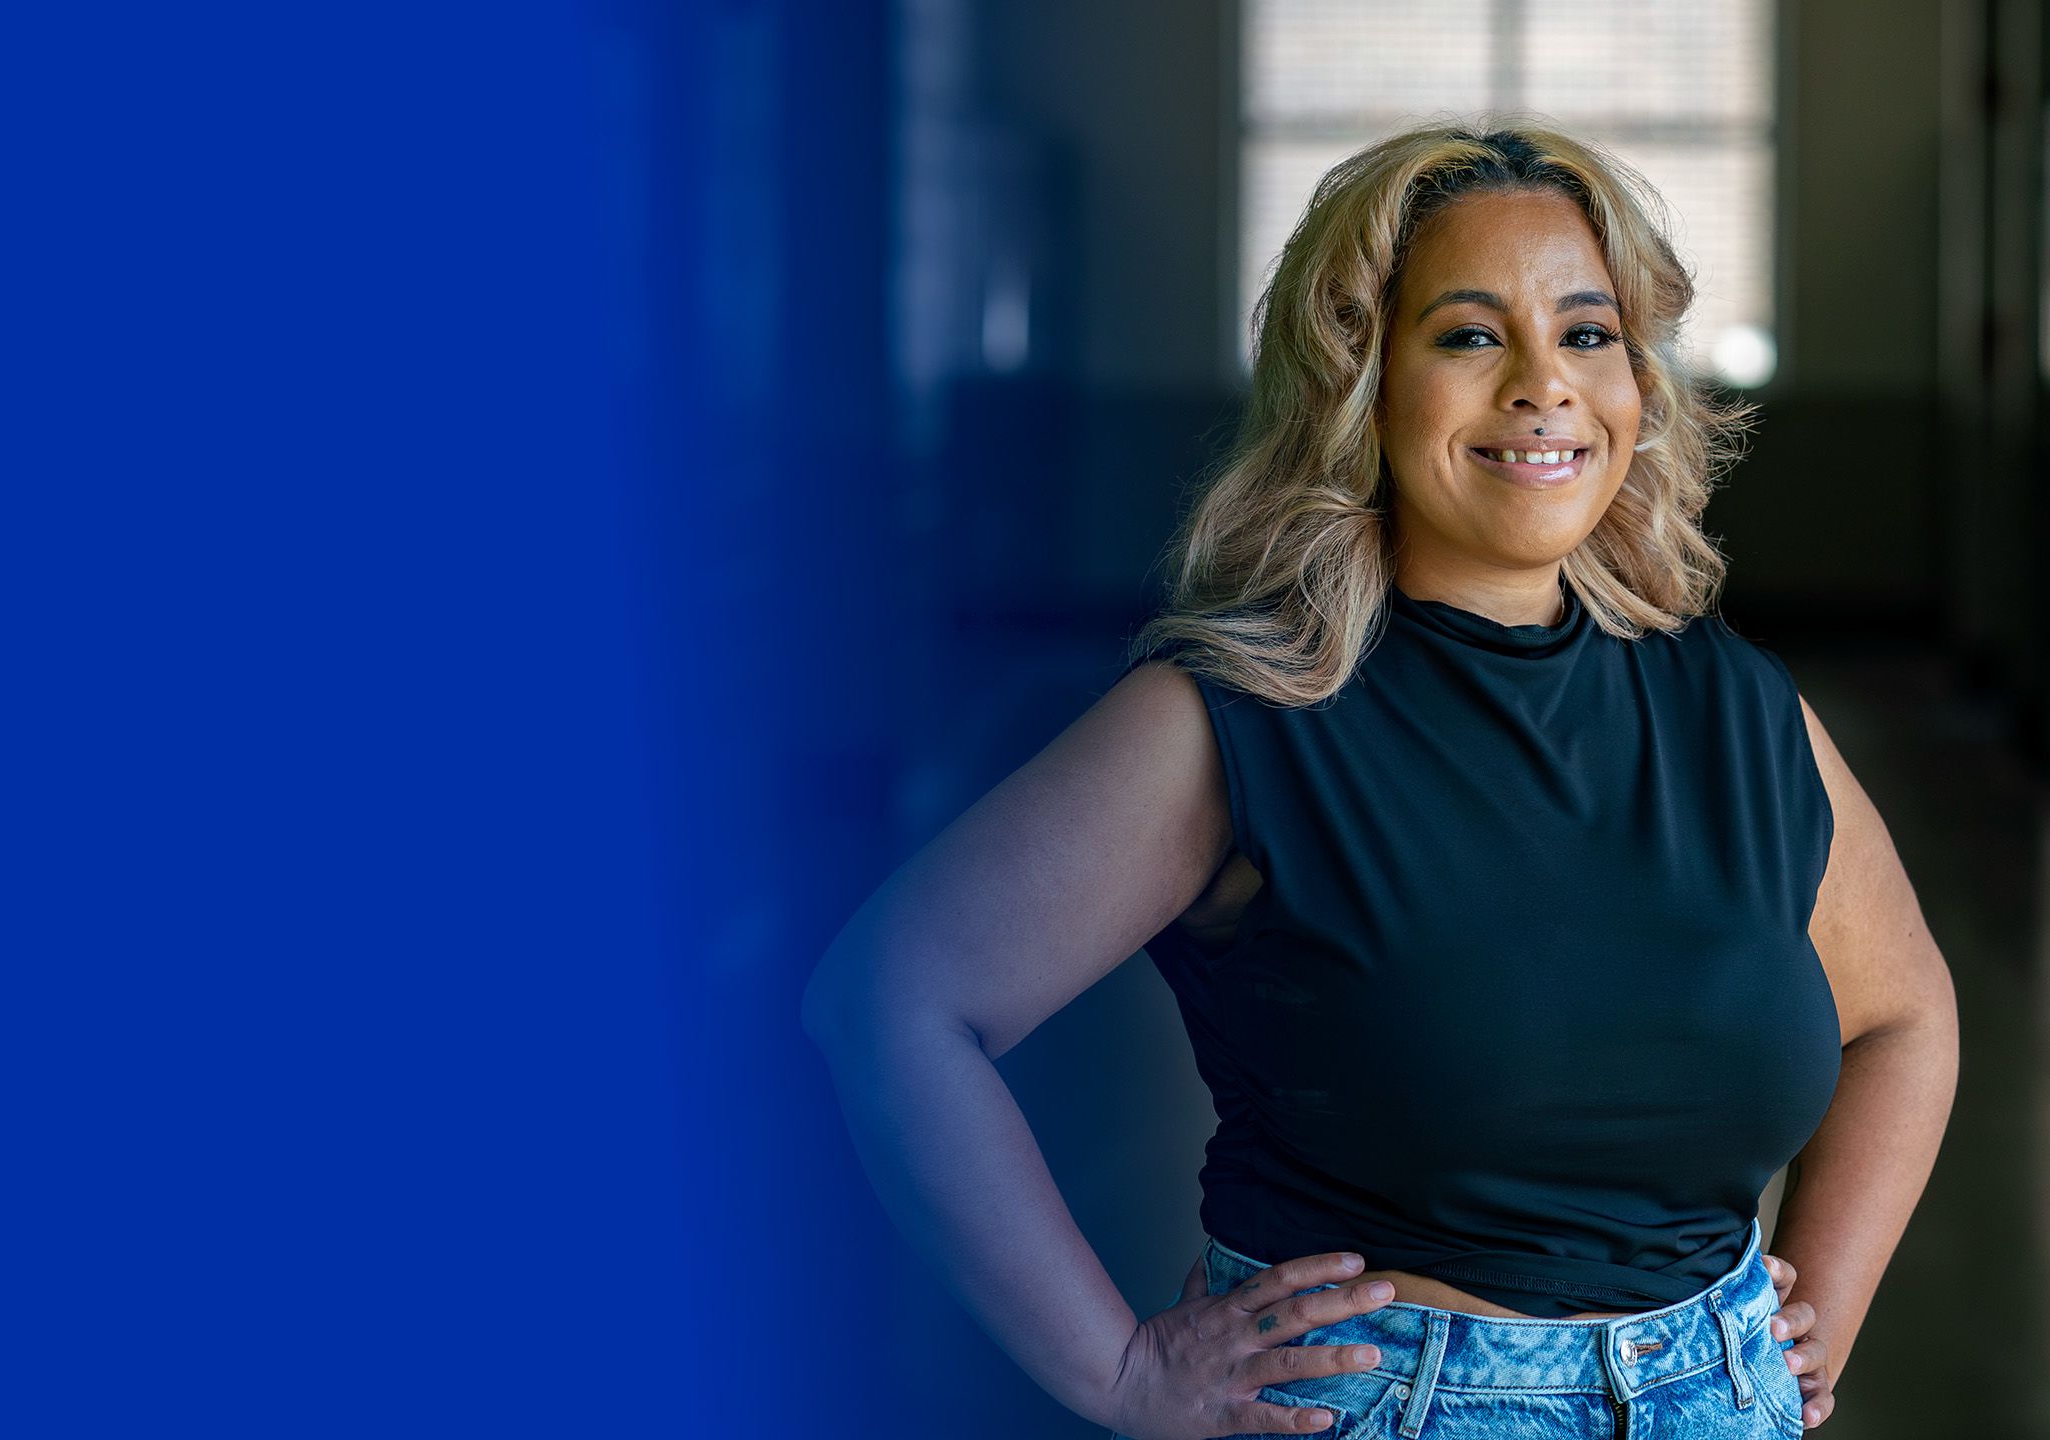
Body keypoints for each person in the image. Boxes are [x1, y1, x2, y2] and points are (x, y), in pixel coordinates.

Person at [799, 118, 1958, 1439]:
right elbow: (895, 1000)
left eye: (1588, 333)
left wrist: (1820, 1317)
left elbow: (1905, 1016)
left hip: (1719, 1399)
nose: (1544, 385)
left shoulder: (1739, 709)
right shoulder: (1239, 720)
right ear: (1363, 378)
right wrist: (1117, 1372)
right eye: (1470, 335)